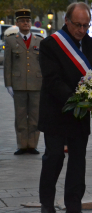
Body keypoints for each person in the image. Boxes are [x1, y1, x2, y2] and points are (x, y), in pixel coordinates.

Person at [38, 3, 92, 213]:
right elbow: (52, 79)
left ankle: (73, 205)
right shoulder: (50, 44)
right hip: (56, 111)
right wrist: (77, 99)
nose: (81, 30)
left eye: (86, 25)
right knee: (54, 158)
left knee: (78, 161)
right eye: (77, 25)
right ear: (66, 21)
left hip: (81, 114)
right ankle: (47, 204)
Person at [3, 9, 43, 155]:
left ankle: (32, 145)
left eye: (28, 21)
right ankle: (22, 145)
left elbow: (43, 63)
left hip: (36, 84)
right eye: (23, 21)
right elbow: (8, 64)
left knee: (35, 116)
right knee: (20, 116)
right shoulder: (11, 40)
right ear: (17, 23)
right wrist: (8, 84)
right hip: (18, 84)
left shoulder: (39, 40)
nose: (26, 23)